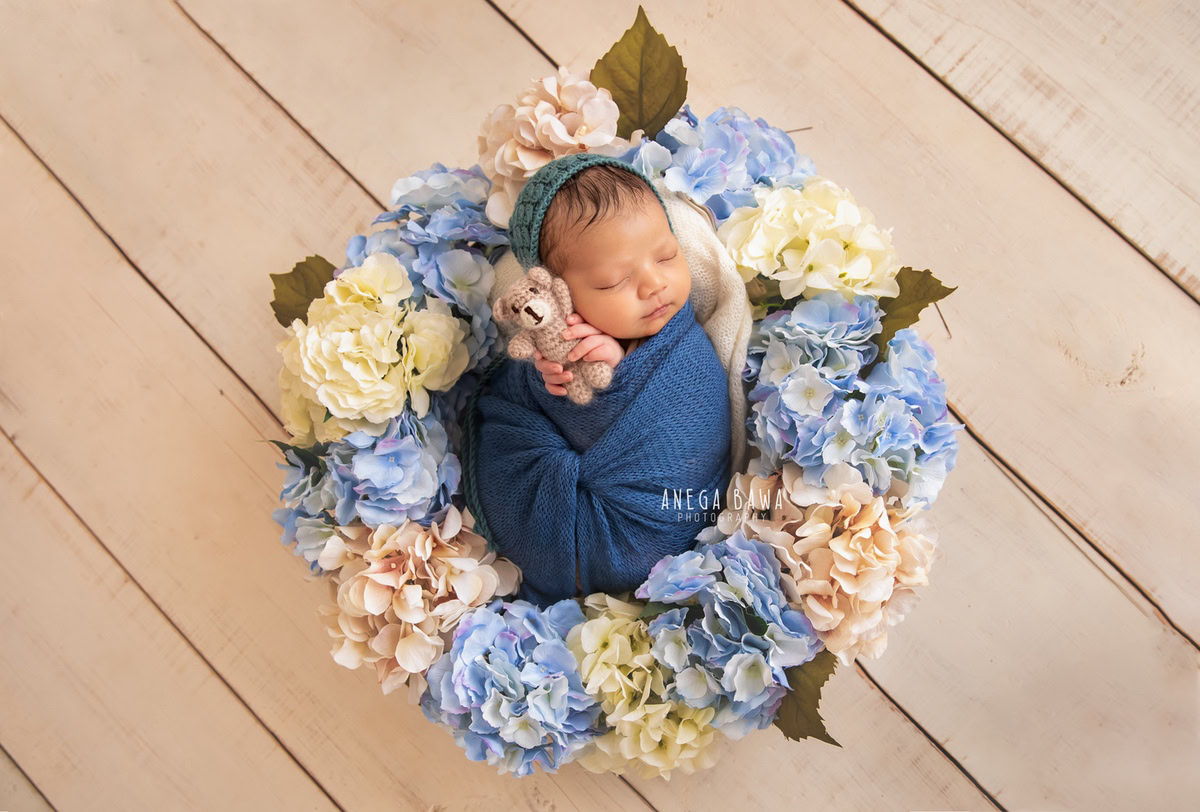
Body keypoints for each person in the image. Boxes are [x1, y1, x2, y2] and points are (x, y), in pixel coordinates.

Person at [468, 152, 733, 606]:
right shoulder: (559, 338)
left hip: (664, 513)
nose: (654, 284)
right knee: (508, 424)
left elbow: (692, 422)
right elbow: (516, 397)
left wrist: (618, 375)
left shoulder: (682, 344)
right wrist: (551, 383)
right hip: (569, 505)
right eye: (612, 282)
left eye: (667, 255)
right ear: (558, 294)